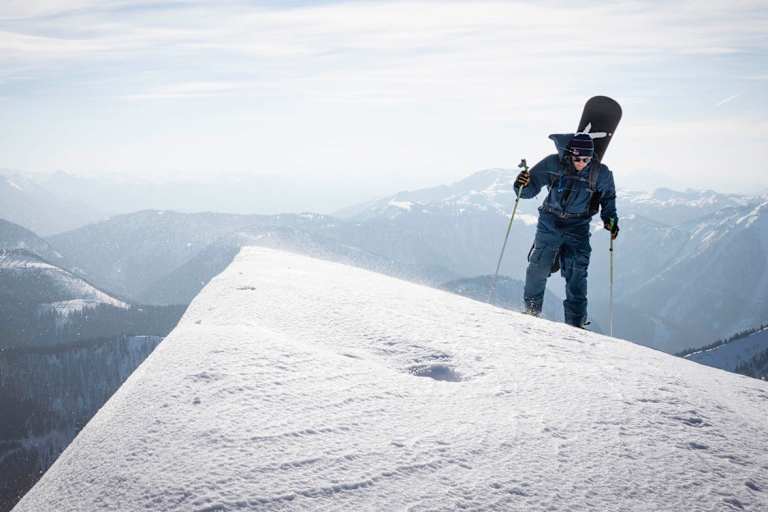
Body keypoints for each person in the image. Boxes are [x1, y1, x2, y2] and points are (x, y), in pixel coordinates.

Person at [514, 132, 619, 328]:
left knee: (576, 274)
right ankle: (531, 311)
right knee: (539, 267)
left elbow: (608, 198)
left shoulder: (601, 173)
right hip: (550, 221)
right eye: (577, 158)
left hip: (578, 226)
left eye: (586, 159)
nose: (581, 163)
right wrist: (521, 184)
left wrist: (610, 220)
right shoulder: (553, 163)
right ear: (570, 154)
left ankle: (576, 325)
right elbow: (528, 190)